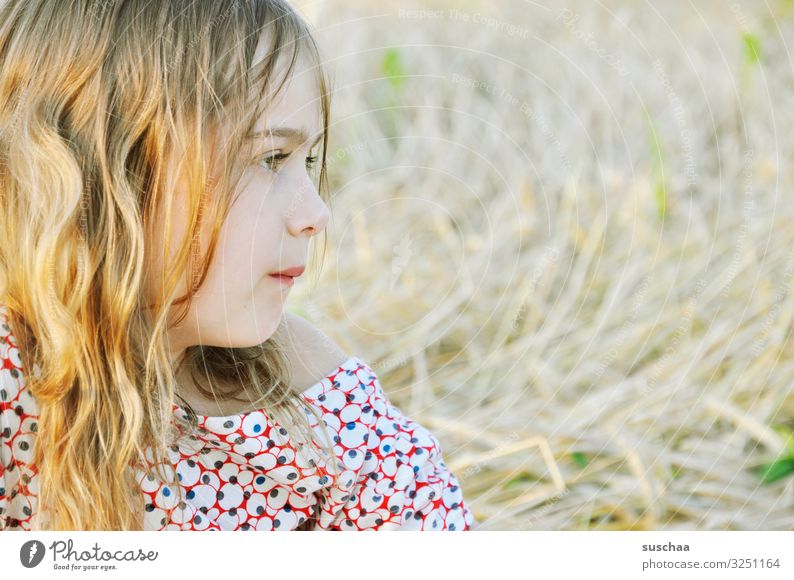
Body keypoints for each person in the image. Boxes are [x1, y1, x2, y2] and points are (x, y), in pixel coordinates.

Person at [0, 0, 475, 531]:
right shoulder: (14, 382)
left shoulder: (302, 401)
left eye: (309, 161)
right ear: (113, 170)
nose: (317, 214)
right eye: (272, 158)